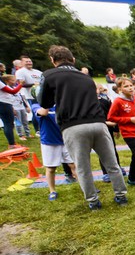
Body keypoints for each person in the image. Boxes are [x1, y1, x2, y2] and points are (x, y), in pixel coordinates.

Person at [38, 45, 128, 210]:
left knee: (82, 166)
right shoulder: (85, 77)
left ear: (52, 60)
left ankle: (93, 200)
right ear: (73, 59)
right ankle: (121, 195)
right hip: (98, 123)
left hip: (73, 125)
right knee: (111, 163)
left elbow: (44, 102)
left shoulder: (49, 75)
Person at [34, 104, 76, 201]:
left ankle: (86, 187)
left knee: (74, 165)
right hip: (49, 142)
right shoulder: (36, 106)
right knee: (51, 168)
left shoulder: (61, 104)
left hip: (65, 139)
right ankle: (52, 191)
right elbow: (44, 112)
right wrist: (47, 100)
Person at [15, 55, 43, 136]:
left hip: (41, 94)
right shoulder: (20, 72)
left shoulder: (37, 72)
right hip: (30, 95)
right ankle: (37, 130)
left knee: (43, 111)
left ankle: (43, 128)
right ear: (22, 63)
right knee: (36, 112)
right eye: (26, 61)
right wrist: (34, 84)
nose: (29, 63)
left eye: (30, 61)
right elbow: (21, 84)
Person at [0, 74, 23, 148]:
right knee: (8, 124)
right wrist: (21, 84)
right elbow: (13, 91)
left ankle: (12, 142)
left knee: (8, 124)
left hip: (3, 104)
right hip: (4, 104)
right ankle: (12, 144)